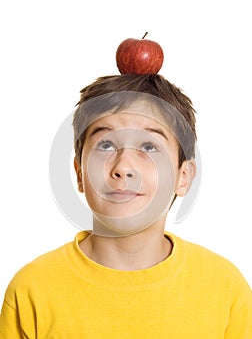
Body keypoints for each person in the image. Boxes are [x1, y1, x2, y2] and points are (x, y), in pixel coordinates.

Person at [0, 74, 251, 338]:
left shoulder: (225, 289)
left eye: (149, 146)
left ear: (183, 177)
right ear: (78, 172)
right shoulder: (32, 290)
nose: (123, 168)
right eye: (106, 144)